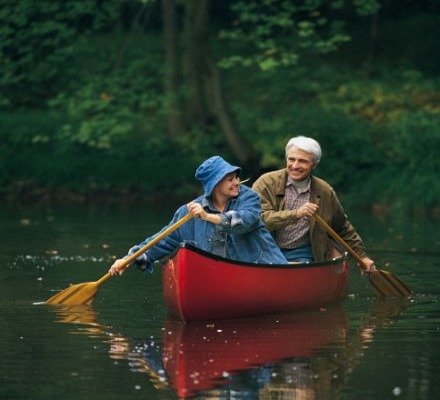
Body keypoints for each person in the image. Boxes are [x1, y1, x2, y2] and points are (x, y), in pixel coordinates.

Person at [109, 156, 288, 275]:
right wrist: (129, 259)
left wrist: (208, 217)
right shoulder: (188, 212)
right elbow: (163, 240)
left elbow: (245, 221)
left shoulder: (249, 197)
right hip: (218, 278)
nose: (237, 183)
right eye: (230, 179)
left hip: (264, 270)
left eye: (236, 177)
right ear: (215, 184)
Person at [252, 135, 376, 270]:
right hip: (265, 250)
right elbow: (257, 219)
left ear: (314, 164)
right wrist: (296, 214)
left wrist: (362, 256)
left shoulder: (324, 191)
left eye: (303, 161)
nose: (295, 166)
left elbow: (342, 227)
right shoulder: (265, 183)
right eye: (291, 159)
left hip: (302, 254)